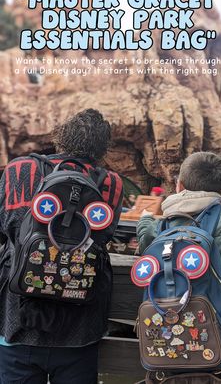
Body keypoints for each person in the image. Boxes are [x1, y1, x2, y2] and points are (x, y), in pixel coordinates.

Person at [0, 109, 123, 384]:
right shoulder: (110, 183)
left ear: (61, 136)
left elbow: (6, 226)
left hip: (17, 320)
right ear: (103, 147)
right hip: (79, 327)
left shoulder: (19, 169)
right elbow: (102, 238)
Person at [137, 151, 221, 381]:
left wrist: (144, 221)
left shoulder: (162, 224)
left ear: (179, 185)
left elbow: (145, 244)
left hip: (170, 338)